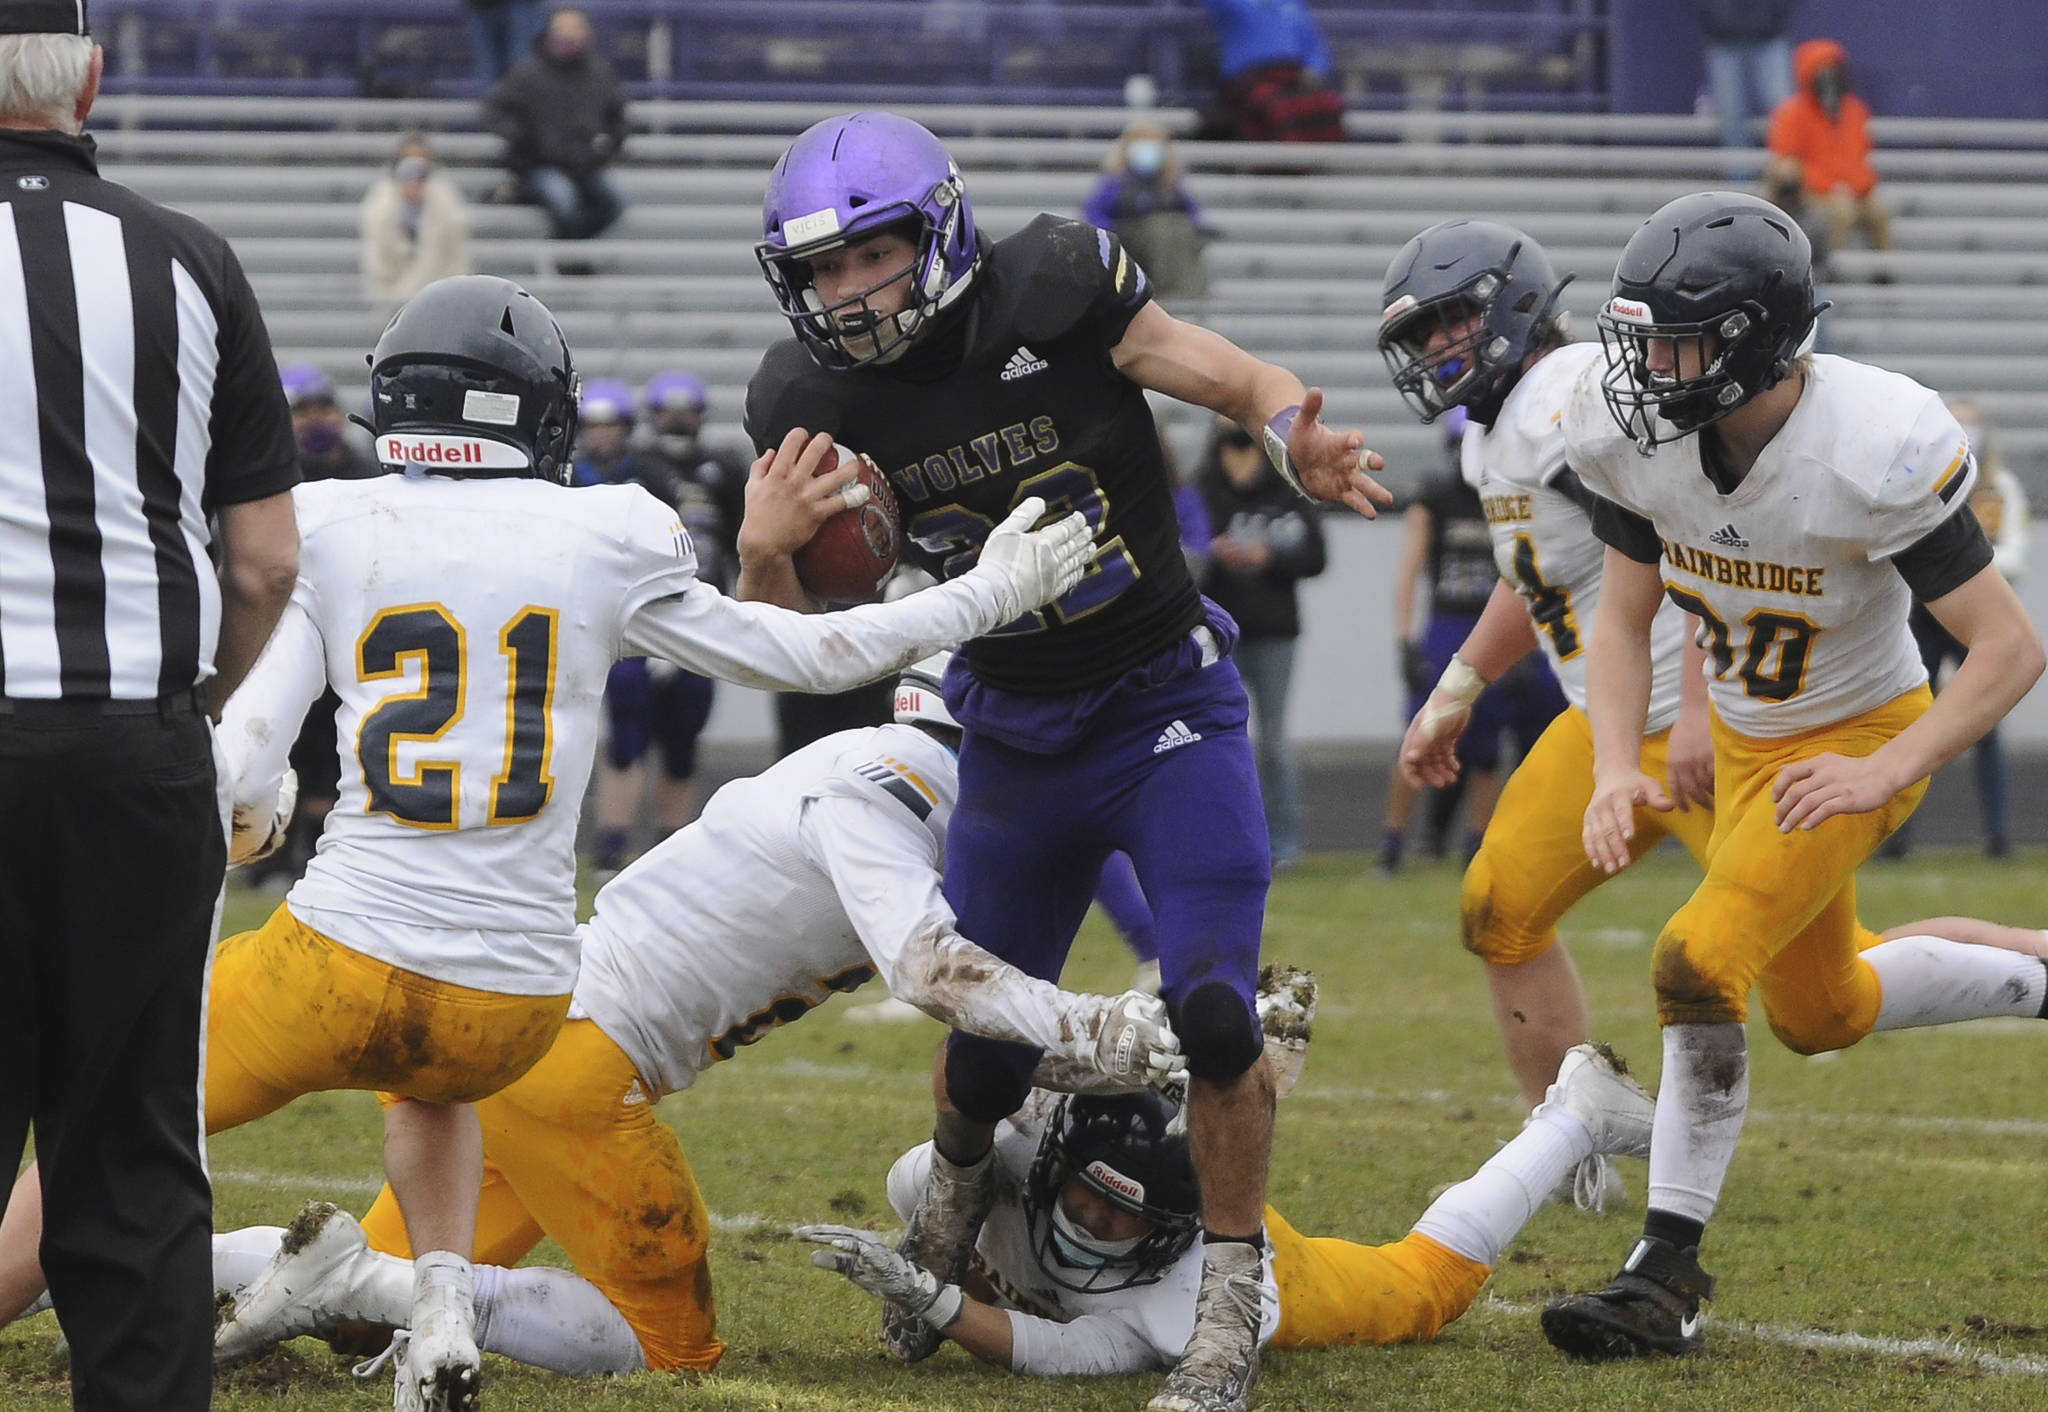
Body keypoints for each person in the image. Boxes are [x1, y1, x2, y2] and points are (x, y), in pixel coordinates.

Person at [0, 272, 1095, 1412]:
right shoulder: (608, 530)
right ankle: (435, 1309)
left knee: (109, 1109)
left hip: (334, 961)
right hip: (513, 1003)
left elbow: (242, 760)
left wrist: (256, 808)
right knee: (432, 1085)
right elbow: (811, 656)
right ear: (528, 406)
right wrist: (987, 593)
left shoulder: (330, 520)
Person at [742, 110, 1388, 1412]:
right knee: (983, 1054)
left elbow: (1196, 363)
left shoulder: (1049, 283)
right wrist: (763, 554)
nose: (844, 293)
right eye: (818, 270)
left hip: (1164, 706)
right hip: (1014, 730)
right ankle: (954, 1208)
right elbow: (798, 646)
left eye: (866, 256)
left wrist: (1284, 417)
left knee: (1214, 1013)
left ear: (939, 231)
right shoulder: (804, 400)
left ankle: (1226, 1298)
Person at [203, 653, 1182, 1379]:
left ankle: (162, 1270)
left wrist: (1144, 1022)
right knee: (669, 1345)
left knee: (384, 1294)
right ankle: (357, 1285)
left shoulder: (885, 771)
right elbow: (937, 974)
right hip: (576, 1069)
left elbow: (992, 1009)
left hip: (533, 1042)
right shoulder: (902, 788)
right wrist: (1107, 1028)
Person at [1541, 191, 2047, 1362]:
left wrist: (1888, 772)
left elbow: (2009, 645)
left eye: (1671, 340)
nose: (1641, 367)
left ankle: (1663, 1272)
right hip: (1746, 739)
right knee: (1819, 1013)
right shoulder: (1636, 436)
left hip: (1857, 737)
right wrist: (1617, 761)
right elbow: (1622, 619)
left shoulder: (1870, 445)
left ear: (1754, 342)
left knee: (1694, 958)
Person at [0, 6, 301, 1406]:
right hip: (135, 747)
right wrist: (190, 710)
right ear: (92, 80)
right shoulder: (190, 260)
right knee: (128, 1158)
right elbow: (264, 560)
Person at [1379, 220, 1720, 1159]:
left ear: (1511, 305)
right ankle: (1564, 1138)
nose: (1437, 349)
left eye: (1451, 323)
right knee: (1501, 909)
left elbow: (1695, 537)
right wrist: (1454, 693)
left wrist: (1697, 705)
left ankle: (2027, 962)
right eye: (1422, 336)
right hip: (1606, 724)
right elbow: (1540, 574)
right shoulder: (1495, 434)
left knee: (1827, 988)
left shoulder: (1570, 401)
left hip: (1711, 726)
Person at [799, 1043, 1653, 1375]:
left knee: (1424, 1287)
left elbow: (1061, 1350)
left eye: (1117, 1217)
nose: (1090, 1223)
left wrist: (937, 1302)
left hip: (1255, 1249)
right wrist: (963, 1284)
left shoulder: (1196, 1283)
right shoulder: (1003, 1172)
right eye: (1086, 1196)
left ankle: (1575, 1115)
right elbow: (950, 1159)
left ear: (1168, 1228)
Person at [239, 364, 381, 892]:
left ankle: (315, 857)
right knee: (283, 740)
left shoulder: (365, 469)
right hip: (284, 617)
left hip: (347, 620)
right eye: (305, 411)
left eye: (322, 408)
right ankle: (274, 856)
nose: (316, 420)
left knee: (332, 744)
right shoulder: (271, 468)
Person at [570, 377, 709, 871]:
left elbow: (682, 548)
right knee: (623, 736)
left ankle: (671, 846)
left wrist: (670, 631)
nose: (602, 436)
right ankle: (610, 844)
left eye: (611, 426)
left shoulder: (652, 473)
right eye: (593, 426)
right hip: (596, 623)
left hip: (663, 619)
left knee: (681, 737)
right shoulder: (563, 477)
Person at [1887, 399, 2028, 859]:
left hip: (1976, 620)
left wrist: (1962, 571)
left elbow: (2015, 553)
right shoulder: (1926, 475)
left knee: (1985, 725)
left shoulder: (2000, 488)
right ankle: (1896, 837)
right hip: (1923, 617)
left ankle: (1996, 834)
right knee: (1911, 721)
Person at [1377, 410, 1505, 875]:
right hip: (1447, 626)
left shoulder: (1509, 490)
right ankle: (1391, 846)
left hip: (1495, 624)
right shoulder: (1434, 498)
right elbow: (1408, 573)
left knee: (1487, 742)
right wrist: (1405, 641)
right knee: (1420, 729)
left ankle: (1475, 846)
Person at [1196, 417, 1325, 870]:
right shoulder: (1203, 483)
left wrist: (1266, 556)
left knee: (1273, 741)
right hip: (1215, 636)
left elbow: (1316, 555)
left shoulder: (1285, 482)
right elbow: (1178, 548)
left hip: (1273, 630)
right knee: (1214, 743)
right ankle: (1219, 841)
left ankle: (1284, 845)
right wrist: (1207, 555)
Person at [483, 7, 628, 241]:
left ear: (587, 33)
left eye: (575, 29)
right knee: (563, 199)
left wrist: (611, 147)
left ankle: (568, 251)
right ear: (550, 33)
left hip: (586, 166)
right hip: (541, 165)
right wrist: (521, 139)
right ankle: (573, 258)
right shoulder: (529, 72)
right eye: (563, 29)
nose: (569, 36)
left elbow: (619, 116)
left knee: (617, 201)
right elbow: (493, 110)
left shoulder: (600, 73)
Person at [1765, 39, 1890, 267]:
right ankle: (1826, 269)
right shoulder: (1791, 114)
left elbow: (1858, 159)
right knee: (1842, 210)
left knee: (1879, 211)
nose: (1829, 77)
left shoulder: (1855, 110)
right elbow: (1787, 164)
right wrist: (1830, 186)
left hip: (1850, 189)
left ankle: (1883, 275)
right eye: (1821, 69)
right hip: (1812, 190)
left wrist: (1853, 186)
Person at [1081, 121, 1211, 302]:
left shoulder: (1171, 183)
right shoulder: (1116, 182)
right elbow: (1094, 215)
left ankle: (1185, 292)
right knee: (1161, 227)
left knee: (1176, 227)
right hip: (1129, 244)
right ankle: (1171, 291)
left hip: (1166, 240)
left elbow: (1192, 214)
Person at [1193, 0, 1343, 144]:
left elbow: (1314, 44)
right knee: (1275, 106)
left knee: (1327, 102)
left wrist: (1314, 70)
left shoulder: (1292, 4)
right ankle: (1280, 166)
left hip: (1293, 80)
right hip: (1247, 79)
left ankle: (1308, 163)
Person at [361, 133, 471, 310]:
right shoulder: (380, 203)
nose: (414, 170)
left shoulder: (447, 202)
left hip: (441, 304)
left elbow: (455, 258)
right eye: (408, 161)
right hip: (394, 304)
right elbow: (379, 261)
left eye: (421, 162)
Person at [1692, 0, 1797, 151]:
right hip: (1723, 41)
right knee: (1731, 115)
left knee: (1784, 110)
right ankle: (1739, 173)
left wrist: (1774, 13)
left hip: (1769, 36)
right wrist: (1714, 16)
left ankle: (1787, 170)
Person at [462, 0, 546, 89]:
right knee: (488, 66)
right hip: (479, 6)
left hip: (521, 5)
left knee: (519, 63)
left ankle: (520, 100)